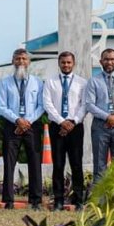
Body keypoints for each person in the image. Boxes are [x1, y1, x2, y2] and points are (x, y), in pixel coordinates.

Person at [0, 48, 45, 210]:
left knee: (35, 162)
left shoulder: (38, 82)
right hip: (12, 125)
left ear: (29, 62)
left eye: (24, 59)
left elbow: (41, 106)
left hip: (32, 125)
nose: (21, 62)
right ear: (13, 61)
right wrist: (18, 120)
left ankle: (36, 200)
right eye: (18, 59)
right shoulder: (5, 82)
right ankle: (8, 200)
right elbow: (2, 107)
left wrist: (27, 121)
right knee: (9, 163)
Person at [42, 52, 88, 211]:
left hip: (75, 127)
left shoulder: (82, 83)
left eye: (69, 62)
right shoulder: (50, 82)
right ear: (59, 63)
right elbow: (47, 104)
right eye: (63, 62)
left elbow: (84, 105)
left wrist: (73, 121)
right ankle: (59, 200)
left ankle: (78, 200)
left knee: (76, 164)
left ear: (73, 63)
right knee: (58, 165)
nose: (66, 65)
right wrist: (62, 121)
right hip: (57, 127)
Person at [85, 48, 114, 185]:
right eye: (106, 59)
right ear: (101, 61)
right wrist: (107, 117)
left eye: (112, 59)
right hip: (100, 126)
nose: (109, 62)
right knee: (100, 165)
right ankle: (99, 201)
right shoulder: (94, 81)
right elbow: (89, 104)